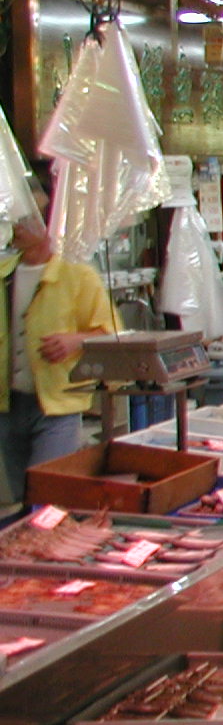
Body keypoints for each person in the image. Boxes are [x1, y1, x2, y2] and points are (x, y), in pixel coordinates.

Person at [0, 207, 115, 507]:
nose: (17, 225)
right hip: (7, 403)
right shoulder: (4, 272)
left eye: (25, 217)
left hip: (57, 404)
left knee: (47, 494)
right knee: (22, 492)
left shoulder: (77, 274)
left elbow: (112, 332)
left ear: (50, 222)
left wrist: (77, 340)